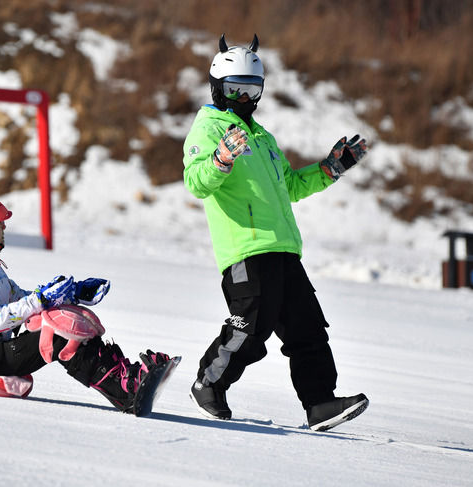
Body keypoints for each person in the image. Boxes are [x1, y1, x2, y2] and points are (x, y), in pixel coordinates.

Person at [182, 34, 369, 431]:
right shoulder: (208, 130)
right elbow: (196, 183)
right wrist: (220, 160)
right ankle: (208, 384)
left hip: (284, 249)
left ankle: (319, 403)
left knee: (309, 331)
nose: (243, 98)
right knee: (250, 331)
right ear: (217, 87)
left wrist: (329, 169)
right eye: (235, 89)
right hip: (246, 251)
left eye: (252, 90)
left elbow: (291, 187)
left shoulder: (263, 138)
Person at [0, 193, 170, 413]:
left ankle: (124, 375)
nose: (3, 230)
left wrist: (71, 294)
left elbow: (18, 298)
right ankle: (123, 390)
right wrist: (41, 299)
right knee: (58, 331)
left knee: (63, 314)